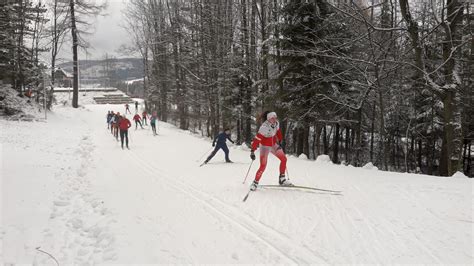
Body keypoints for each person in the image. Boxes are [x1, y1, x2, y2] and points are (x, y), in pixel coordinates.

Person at [249, 111, 292, 191]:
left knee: (284, 159)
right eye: (272, 118)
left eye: (275, 117)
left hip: (273, 144)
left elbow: (278, 132)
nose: (275, 119)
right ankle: (255, 182)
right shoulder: (264, 127)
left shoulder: (276, 123)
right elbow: (257, 139)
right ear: (268, 119)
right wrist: (252, 150)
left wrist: (281, 140)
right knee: (263, 166)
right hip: (264, 146)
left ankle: (282, 179)